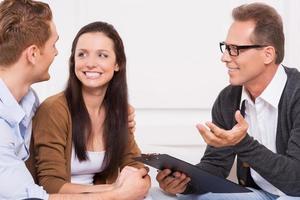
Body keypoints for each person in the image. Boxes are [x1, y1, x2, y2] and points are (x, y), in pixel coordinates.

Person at [0, 0, 150, 199]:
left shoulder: (28, 101)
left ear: (117, 64)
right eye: (53, 45)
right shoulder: (40, 112)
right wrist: (118, 192)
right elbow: (35, 195)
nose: (56, 52)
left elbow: (134, 164)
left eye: (103, 55)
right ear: (33, 53)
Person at [156, 2, 300, 200]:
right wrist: (184, 183)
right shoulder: (228, 98)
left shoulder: (297, 94)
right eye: (225, 47)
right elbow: (215, 166)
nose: (224, 57)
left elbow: (296, 182)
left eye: (235, 49)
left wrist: (242, 142)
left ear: (268, 54)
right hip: (261, 194)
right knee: (187, 197)